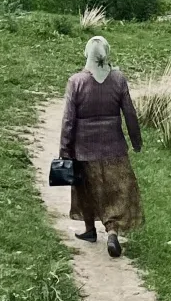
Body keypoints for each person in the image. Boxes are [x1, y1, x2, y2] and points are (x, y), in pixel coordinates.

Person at [58, 36, 143, 258]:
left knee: (84, 189)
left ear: (87, 54)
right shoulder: (118, 80)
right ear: (106, 53)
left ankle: (89, 229)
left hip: (84, 148)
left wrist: (64, 150)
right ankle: (112, 231)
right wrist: (136, 141)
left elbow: (68, 120)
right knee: (114, 191)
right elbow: (130, 113)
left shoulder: (76, 81)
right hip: (114, 147)